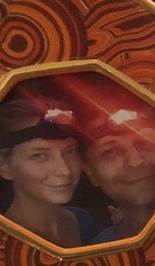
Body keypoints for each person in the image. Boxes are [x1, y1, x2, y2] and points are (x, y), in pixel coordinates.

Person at [0, 97, 95, 247]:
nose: (65, 171)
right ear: (4, 167)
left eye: (70, 151)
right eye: (39, 155)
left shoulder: (83, 221)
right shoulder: (6, 243)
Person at [81, 107, 155, 243]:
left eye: (145, 143)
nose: (135, 162)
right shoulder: (103, 248)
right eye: (110, 152)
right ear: (91, 174)